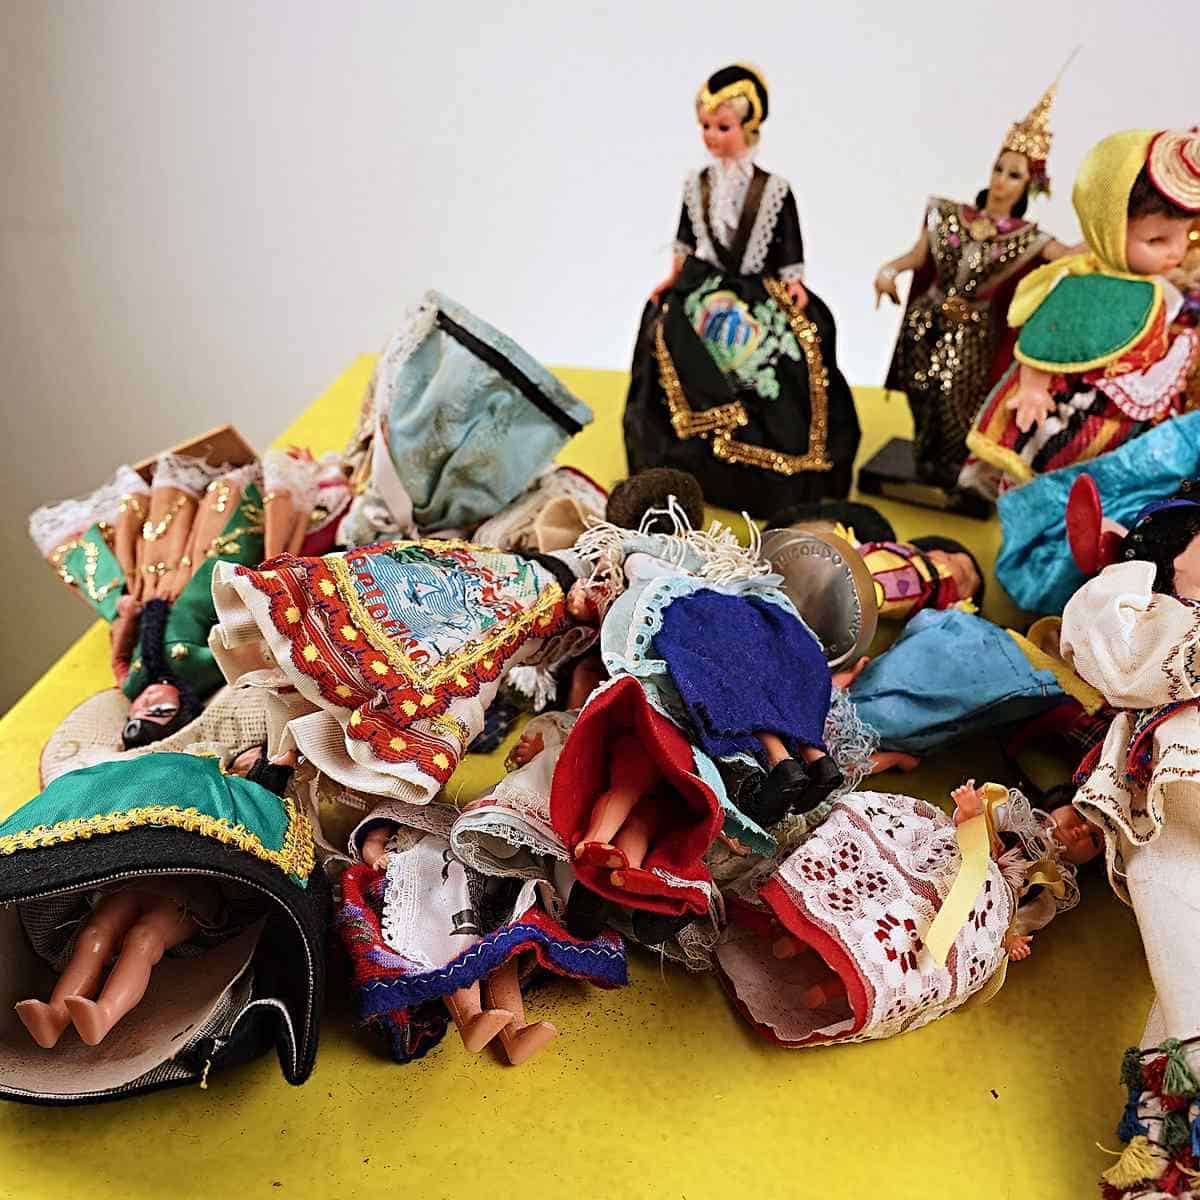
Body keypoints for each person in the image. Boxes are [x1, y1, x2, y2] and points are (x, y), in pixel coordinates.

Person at [623, 63, 860, 516]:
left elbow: (788, 241)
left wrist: (793, 281)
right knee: (664, 330)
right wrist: (674, 277)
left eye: (722, 127)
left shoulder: (773, 189)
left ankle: (778, 466)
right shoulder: (697, 184)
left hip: (757, 287)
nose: (711, 136)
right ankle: (683, 455)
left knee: (802, 344)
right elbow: (685, 237)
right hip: (704, 284)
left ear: (748, 128)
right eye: (705, 126)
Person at [874, 74, 1077, 488]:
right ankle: (924, 458)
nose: (1001, 180)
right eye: (999, 168)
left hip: (972, 333)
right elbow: (916, 257)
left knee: (955, 399)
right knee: (920, 390)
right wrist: (888, 272)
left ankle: (951, 467)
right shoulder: (948, 215)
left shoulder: (1028, 238)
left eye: (1014, 175)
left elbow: (1071, 257)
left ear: (1030, 185)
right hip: (924, 320)